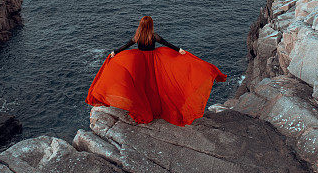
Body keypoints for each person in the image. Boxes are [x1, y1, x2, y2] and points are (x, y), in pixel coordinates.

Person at [86, 15, 226, 126]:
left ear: (141, 25)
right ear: (151, 25)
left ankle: (147, 109)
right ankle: (157, 109)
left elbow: (125, 46)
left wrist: (114, 52)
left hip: (140, 63)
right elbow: (167, 44)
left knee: (142, 86)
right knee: (156, 86)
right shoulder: (154, 36)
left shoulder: (138, 36)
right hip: (154, 62)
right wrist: (180, 50)